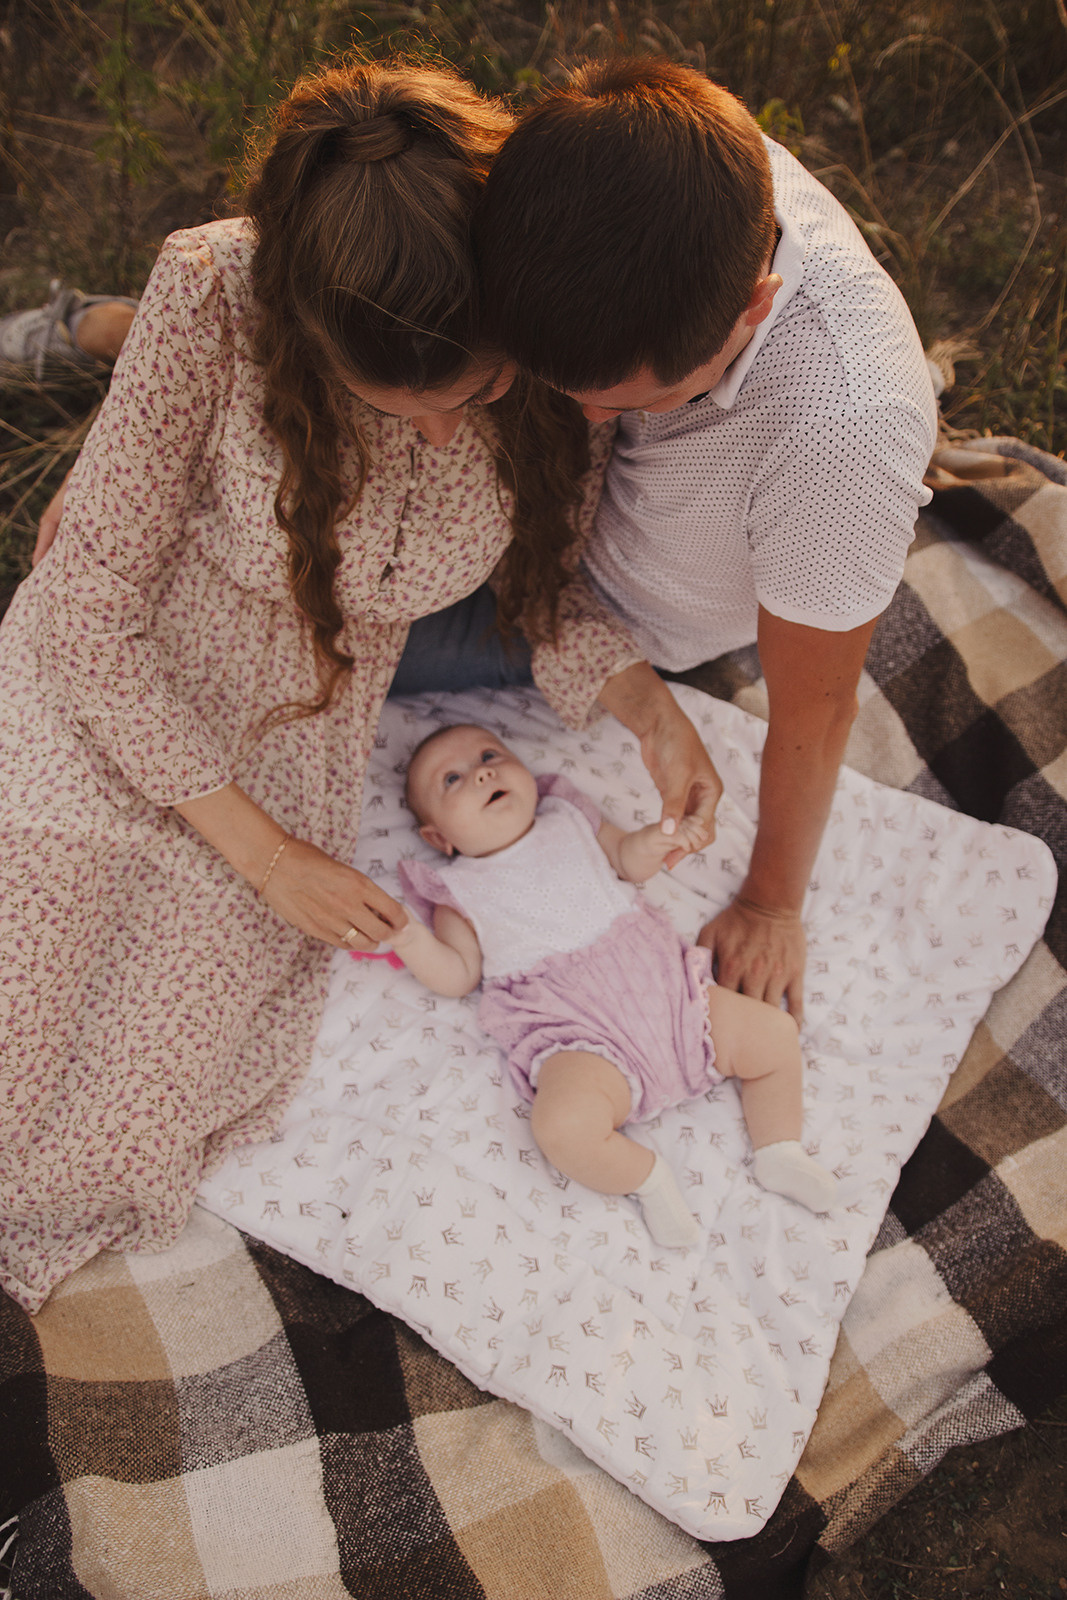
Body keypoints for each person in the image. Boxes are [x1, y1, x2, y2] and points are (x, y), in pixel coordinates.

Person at [0, 55, 714, 1314]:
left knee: (120, 1100)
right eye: (405, 407)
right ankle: (81, 334)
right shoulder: (213, 292)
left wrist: (644, 701)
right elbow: (90, 614)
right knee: (31, 944)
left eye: (479, 395)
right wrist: (270, 857)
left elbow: (542, 590)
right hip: (134, 660)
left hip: (312, 714)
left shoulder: (545, 336)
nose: (447, 435)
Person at [474, 58, 940, 1021]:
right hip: (496, 517)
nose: (588, 419)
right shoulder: (636, 164)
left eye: (625, 402)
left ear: (753, 308)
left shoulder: (842, 434)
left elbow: (815, 710)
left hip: (581, 618)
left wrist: (770, 901)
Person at [389, 724, 838, 1248]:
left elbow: (627, 860)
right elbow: (457, 973)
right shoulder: (458, 891)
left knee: (776, 1034)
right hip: (580, 1036)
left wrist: (654, 840)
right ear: (439, 838)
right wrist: (408, 938)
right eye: (453, 779)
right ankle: (647, 1180)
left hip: (674, 1001)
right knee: (560, 1128)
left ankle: (780, 1151)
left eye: (491, 754)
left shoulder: (569, 819)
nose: (483, 771)